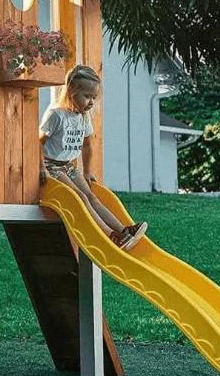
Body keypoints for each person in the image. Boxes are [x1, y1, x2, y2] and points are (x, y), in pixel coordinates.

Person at [39, 64, 147, 251]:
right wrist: (41, 167)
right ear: (72, 91)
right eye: (87, 96)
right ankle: (110, 235)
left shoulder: (83, 116)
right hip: (52, 166)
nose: (91, 102)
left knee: (91, 195)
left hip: (69, 166)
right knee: (80, 196)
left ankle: (124, 230)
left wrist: (88, 171)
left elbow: (88, 144)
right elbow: (38, 143)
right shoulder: (56, 114)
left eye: (94, 98)